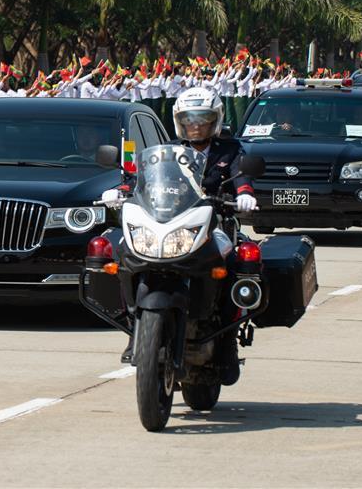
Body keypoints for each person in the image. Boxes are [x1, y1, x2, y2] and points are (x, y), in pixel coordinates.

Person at [101, 87, 257, 383]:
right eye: (188, 119)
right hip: (171, 222)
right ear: (179, 121)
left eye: (202, 119)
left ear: (215, 120)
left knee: (234, 264)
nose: (195, 125)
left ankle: (226, 339)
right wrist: (121, 190)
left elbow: (243, 176)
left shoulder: (230, 150)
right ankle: (135, 327)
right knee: (122, 252)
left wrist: (245, 195)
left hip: (214, 222)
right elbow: (142, 180)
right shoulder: (168, 150)